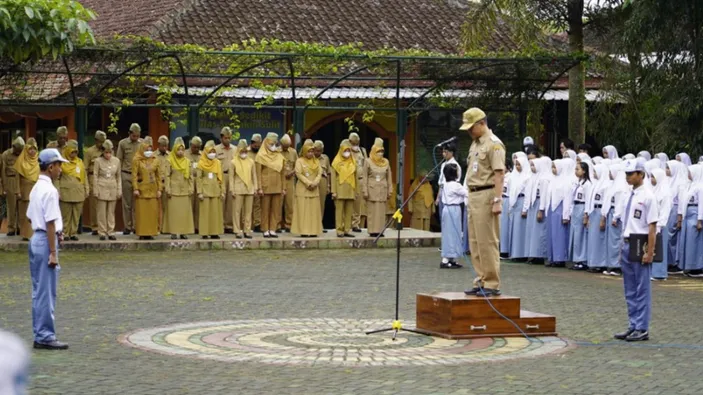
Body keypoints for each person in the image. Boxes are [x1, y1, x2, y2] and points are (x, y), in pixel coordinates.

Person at [27, 148, 70, 350]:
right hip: (45, 240)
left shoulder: (36, 188)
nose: (60, 168)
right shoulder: (51, 191)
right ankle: (45, 335)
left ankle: (40, 332)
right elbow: (51, 223)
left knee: (38, 290)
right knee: (46, 291)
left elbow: (30, 216)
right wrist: (53, 252)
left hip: (36, 237)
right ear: (51, 167)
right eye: (59, 165)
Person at [461, 108, 506, 296]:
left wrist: (497, 200)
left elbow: (499, 174)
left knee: (487, 241)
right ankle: (480, 279)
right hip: (473, 195)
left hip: (487, 194)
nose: (469, 132)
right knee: (475, 241)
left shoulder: (494, 145)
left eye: (472, 128)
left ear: (482, 123)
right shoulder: (475, 144)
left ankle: (492, 282)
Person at [614, 158, 658, 342]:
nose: (628, 177)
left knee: (642, 288)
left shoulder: (648, 196)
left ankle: (642, 327)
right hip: (627, 241)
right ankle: (633, 324)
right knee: (629, 288)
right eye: (626, 174)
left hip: (640, 243)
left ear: (641, 174)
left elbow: (652, 226)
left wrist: (649, 251)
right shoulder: (628, 195)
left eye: (631, 174)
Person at [255, 133, 286, 238]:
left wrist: (284, 187)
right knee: (265, 209)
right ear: (266, 143)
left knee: (276, 209)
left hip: (277, 185)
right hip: (265, 185)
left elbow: (283, 173)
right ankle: (265, 229)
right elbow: (258, 173)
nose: (273, 145)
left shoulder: (279, 156)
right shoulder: (260, 156)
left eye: (274, 143)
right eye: (271, 143)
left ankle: (273, 228)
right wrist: (259, 187)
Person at [57, 140, 89, 241]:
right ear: (67, 151)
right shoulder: (61, 163)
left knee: (76, 215)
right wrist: (57, 191)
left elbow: (85, 177)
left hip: (79, 191)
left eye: (75, 152)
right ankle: (65, 233)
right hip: (65, 192)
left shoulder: (79, 162)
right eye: (72, 152)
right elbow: (57, 178)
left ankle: (73, 233)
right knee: (66, 215)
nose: (74, 154)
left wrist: (86, 189)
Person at [523, 156, 552, 264]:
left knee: (540, 231)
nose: (532, 168)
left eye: (533, 165)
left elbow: (544, 195)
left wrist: (541, 209)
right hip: (533, 204)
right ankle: (533, 254)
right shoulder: (533, 177)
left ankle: (540, 254)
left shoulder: (544, 179)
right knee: (533, 231)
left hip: (540, 204)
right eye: (531, 165)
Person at [291, 140, 322, 237]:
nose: (311, 153)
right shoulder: (299, 161)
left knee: (313, 211)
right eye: (309, 151)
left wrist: (315, 182)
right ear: (304, 151)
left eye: (312, 151)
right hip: (303, 189)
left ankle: (313, 231)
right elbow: (298, 173)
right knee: (303, 211)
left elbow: (319, 173)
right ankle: (303, 231)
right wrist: (308, 183)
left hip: (314, 189)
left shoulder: (316, 161)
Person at [165, 137, 194, 240]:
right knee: (174, 213)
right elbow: (167, 176)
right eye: (178, 149)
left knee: (184, 213)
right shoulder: (170, 160)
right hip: (174, 190)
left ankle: (183, 232)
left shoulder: (187, 161)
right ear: (174, 149)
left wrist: (191, 188)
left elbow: (191, 177)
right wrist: (167, 189)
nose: (180, 152)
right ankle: (173, 232)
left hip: (185, 190)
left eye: (182, 149)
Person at [132, 137, 161, 240]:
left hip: (153, 189)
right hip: (141, 190)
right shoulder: (137, 159)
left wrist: (159, 189)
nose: (148, 152)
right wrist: (135, 188)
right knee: (142, 213)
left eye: (150, 150)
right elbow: (134, 175)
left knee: (152, 212)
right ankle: (142, 233)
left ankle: (151, 232)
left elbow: (158, 175)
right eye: (146, 150)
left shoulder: (155, 159)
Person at [92, 140, 121, 241]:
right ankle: (102, 232)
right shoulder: (98, 161)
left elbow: (118, 176)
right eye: (106, 152)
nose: (108, 155)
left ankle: (111, 231)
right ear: (103, 152)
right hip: (101, 186)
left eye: (110, 152)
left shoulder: (116, 161)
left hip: (112, 187)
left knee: (111, 212)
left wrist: (119, 190)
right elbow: (95, 176)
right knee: (101, 211)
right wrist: (95, 190)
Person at [677, 164, 703, 276]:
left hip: (695, 213)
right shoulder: (691, 186)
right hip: (688, 214)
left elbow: (701, 204)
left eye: (690, 172)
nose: (688, 174)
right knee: (688, 242)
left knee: (695, 242)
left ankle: (697, 267)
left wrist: (700, 220)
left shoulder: (700, 186)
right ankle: (688, 265)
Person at [546, 159, 573, 268]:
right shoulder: (552, 180)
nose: (553, 170)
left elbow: (567, 199)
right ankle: (552, 257)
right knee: (552, 234)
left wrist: (566, 215)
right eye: (552, 167)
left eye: (555, 167)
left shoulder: (565, 181)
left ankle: (560, 258)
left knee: (560, 235)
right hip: (551, 209)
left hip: (560, 209)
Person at [363, 138, 393, 237]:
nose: (381, 154)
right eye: (378, 151)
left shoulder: (386, 162)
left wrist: (390, 190)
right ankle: (372, 231)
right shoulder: (368, 161)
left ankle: (380, 231)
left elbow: (389, 177)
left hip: (382, 190)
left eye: (382, 151)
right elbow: (365, 177)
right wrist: (365, 191)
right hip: (372, 189)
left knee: (381, 212)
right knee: (372, 211)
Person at [116, 123, 142, 234]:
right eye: (134, 136)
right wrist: (118, 176)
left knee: (137, 202)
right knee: (127, 203)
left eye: (137, 136)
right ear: (129, 133)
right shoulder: (123, 143)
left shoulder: (142, 144)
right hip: (126, 174)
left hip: (138, 176)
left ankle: (136, 226)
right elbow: (119, 160)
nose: (135, 138)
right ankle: (127, 226)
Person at [439, 163, 467, 269]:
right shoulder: (456, 185)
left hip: (447, 208)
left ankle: (451, 258)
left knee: (449, 233)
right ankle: (446, 259)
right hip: (454, 209)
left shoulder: (445, 184)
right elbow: (466, 193)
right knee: (453, 233)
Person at [585, 163, 611, 271]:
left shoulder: (606, 185)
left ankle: (600, 263)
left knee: (599, 239)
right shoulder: (595, 184)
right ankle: (592, 262)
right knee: (593, 239)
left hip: (600, 211)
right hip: (593, 211)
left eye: (595, 172)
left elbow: (606, 201)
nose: (594, 174)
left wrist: (603, 216)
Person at [229, 139, 258, 239]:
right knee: (237, 211)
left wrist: (255, 188)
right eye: (242, 151)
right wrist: (232, 190)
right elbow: (231, 177)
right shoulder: (233, 162)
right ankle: (237, 230)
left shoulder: (251, 161)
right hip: (238, 189)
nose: (244, 153)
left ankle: (247, 230)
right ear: (238, 150)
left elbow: (254, 176)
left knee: (248, 211)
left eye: (245, 151)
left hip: (249, 189)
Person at [196, 141, 224, 239]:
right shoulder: (201, 163)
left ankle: (214, 232)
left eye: (213, 151)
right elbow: (198, 178)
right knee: (205, 213)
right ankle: (204, 232)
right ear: (205, 152)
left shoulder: (217, 163)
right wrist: (199, 192)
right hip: (205, 190)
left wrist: (222, 191)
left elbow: (220, 177)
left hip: (215, 189)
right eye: (210, 152)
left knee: (215, 213)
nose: (212, 154)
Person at [666, 160, 690, 274]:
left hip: (676, 211)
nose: (666, 170)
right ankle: (669, 261)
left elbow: (681, 201)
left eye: (668, 168)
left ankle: (675, 263)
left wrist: (680, 217)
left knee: (673, 237)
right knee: (669, 236)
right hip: (669, 210)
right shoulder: (670, 181)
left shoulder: (681, 184)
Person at [14, 138, 39, 241]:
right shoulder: (21, 160)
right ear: (26, 149)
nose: (32, 151)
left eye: (34, 149)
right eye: (30, 149)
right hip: (24, 190)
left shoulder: (38, 161)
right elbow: (16, 178)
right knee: (24, 212)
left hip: (36, 190)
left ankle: (34, 233)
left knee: (35, 212)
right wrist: (18, 191)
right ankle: (25, 234)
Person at [649, 168, 671, 280]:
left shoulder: (665, 193)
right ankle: (653, 272)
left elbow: (665, 210)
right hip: (653, 223)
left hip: (660, 224)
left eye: (653, 177)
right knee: (652, 247)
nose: (651, 179)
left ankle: (660, 273)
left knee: (660, 248)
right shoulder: (654, 190)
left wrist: (660, 224)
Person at [331, 139, 357, 237]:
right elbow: (333, 178)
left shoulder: (353, 161)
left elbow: (356, 177)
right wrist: (333, 191)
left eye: (349, 150)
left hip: (351, 189)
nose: (347, 153)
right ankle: (339, 230)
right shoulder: (336, 161)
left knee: (349, 211)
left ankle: (347, 229)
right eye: (345, 150)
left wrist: (357, 191)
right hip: (340, 189)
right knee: (339, 211)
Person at [83, 130, 106, 235]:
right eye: (100, 141)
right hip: (93, 178)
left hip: (105, 177)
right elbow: (85, 169)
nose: (101, 144)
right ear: (96, 140)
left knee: (105, 202)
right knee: (94, 204)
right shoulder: (89, 152)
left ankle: (104, 226)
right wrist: (86, 183)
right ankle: (95, 227)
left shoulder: (107, 150)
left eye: (103, 141)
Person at [508, 154, 531, 259]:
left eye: (519, 165)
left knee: (521, 229)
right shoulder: (514, 176)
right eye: (516, 165)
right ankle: (514, 253)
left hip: (522, 202)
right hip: (514, 203)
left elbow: (527, 194)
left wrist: (525, 208)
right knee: (514, 228)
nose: (517, 167)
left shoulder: (527, 176)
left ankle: (522, 254)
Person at [1, 136, 24, 236]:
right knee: (11, 206)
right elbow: (2, 171)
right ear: (13, 147)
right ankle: (11, 228)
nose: (18, 152)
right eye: (17, 149)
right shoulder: (6, 154)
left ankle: (20, 227)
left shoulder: (23, 154)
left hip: (21, 181)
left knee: (21, 206)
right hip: (10, 180)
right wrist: (4, 187)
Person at [435, 142, 462, 226]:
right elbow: (441, 182)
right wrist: (438, 197)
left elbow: (456, 182)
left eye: (446, 152)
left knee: (450, 220)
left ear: (451, 152)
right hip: (442, 191)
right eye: (443, 152)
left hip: (451, 192)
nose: (444, 154)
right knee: (442, 217)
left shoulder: (456, 165)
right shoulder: (443, 164)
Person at [215, 127, 236, 233]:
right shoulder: (216, 149)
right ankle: (220, 224)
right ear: (221, 138)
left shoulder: (235, 149)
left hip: (232, 176)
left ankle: (229, 225)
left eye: (229, 137)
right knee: (221, 201)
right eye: (225, 138)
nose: (228, 140)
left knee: (231, 202)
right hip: (221, 176)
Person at [349, 132, 368, 232]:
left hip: (360, 180)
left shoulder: (362, 151)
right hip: (349, 180)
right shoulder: (346, 151)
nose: (355, 145)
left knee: (358, 204)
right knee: (348, 203)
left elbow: (366, 165)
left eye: (357, 143)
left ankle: (355, 224)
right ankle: (347, 224)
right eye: (353, 143)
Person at [280, 134, 298, 233]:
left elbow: (297, 166)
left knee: (290, 203)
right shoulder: (277, 152)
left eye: (287, 146)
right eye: (284, 146)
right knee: (278, 203)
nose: (286, 148)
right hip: (279, 180)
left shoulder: (293, 152)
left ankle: (289, 224)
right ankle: (278, 225)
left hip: (290, 180)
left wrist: (292, 172)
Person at [186, 136, 202, 233]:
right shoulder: (185, 154)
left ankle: (197, 226)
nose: (196, 149)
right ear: (191, 145)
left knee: (199, 205)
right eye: (194, 147)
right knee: (189, 204)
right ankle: (189, 227)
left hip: (200, 181)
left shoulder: (202, 155)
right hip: (189, 180)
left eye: (198, 147)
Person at [314, 140, 331, 232]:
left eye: (320, 150)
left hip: (323, 181)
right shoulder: (310, 157)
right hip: (313, 182)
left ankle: (319, 225)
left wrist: (328, 185)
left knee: (321, 204)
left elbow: (329, 173)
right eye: (316, 150)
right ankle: (312, 225)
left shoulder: (325, 158)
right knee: (313, 204)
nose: (318, 152)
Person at [156, 135, 171, 234]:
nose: (164, 148)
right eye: (163, 146)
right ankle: (157, 227)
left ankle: (166, 228)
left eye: (166, 146)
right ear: (159, 145)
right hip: (157, 183)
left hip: (167, 183)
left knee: (167, 206)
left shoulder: (170, 156)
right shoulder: (153, 155)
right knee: (157, 207)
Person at [248, 133, 263, 231]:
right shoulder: (246, 152)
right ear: (251, 143)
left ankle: (257, 224)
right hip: (248, 180)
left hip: (258, 181)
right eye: (255, 145)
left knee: (257, 204)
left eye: (259, 146)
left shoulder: (261, 153)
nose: (257, 147)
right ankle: (247, 225)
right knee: (247, 204)